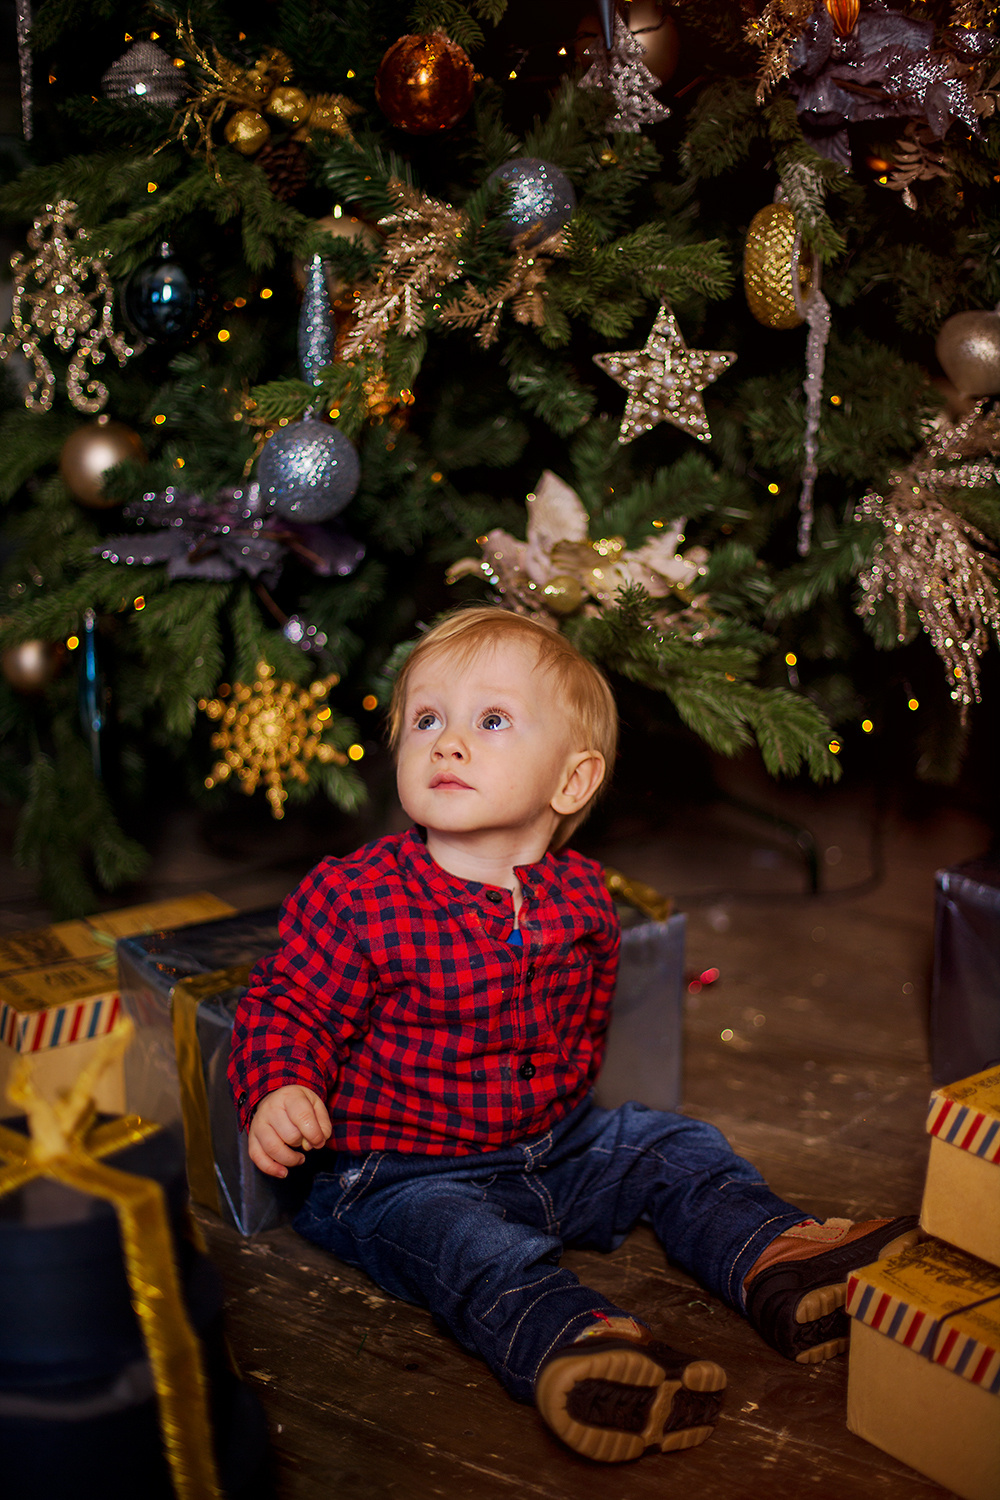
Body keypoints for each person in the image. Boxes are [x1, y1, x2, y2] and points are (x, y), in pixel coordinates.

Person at [228, 606, 918, 1465]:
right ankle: (581, 1345)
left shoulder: (582, 897)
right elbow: (285, 1003)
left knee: (675, 1144)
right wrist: (282, 1085)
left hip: (556, 1143)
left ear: (571, 782)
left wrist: (577, 1134)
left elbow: (575, 1025)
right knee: (468, 1246)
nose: (445, 742)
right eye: (426, 720)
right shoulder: (356, 897)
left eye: (490, 721)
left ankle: (771, 1255)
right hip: (399, 1170)